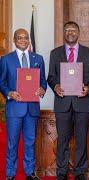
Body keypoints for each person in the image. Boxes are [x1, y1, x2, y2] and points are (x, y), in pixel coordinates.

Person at [47, 21, 89, 180]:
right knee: (62, 140)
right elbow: (50, 77)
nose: (70, 32)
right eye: (67, 30)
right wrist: (55, 86)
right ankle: (62, 172)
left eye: (73, 30)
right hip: (62, 103)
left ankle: (80, 172)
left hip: (82, 104)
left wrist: (88, 88)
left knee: (81, 139)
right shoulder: (55, 53)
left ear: (78, 33)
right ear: (64, 33)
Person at [0, 28, 47, 180]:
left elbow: (43, 82)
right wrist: (9, 93)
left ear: (29, 40)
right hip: (14, 108)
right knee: (12, 143)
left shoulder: (37, 59)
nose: (23, 40)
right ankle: (10, 173)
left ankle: (29, 173)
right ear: (14, 40)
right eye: (19, 38)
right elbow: (2, 82)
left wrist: (42, 89)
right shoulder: (6, 59)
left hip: (32, 109)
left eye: (25, 37)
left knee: (30, 142)